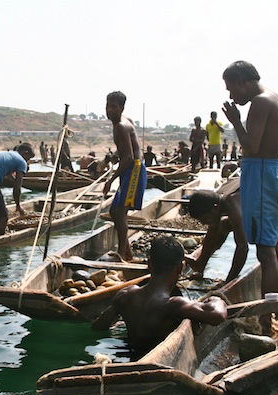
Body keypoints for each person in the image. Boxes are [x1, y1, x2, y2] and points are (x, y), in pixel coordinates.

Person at [221, 60, 278, 332]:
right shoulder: (276, 98)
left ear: (241, 82)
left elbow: (250, 145)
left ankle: (267, 317)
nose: (231, 97)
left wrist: (236, 122)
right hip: (270, 171)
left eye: (230, 89)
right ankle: (277, 311)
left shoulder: (260, 102)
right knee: (272, 246)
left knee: (265, 250)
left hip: (260, 176)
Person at [92, 235, 228, 355]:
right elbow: (217, 315)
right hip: (153, 360)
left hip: (126, 353)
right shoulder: (174, 305)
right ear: (180, 268)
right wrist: (216, 299)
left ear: (149, 264)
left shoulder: (125, 295)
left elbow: (98, 326)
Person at [184, 178, 278, 291]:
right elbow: (211, 237)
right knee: (221, 226)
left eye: (203, 219)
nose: (203, 223)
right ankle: (200, 266)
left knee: (272, 249)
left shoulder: (232, 204)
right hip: (258, 209)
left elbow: (242, 247)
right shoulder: (215, 201)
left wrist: (228, 282)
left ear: (215, 208)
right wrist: (200, 267)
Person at [103, 91, 148, 261]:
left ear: (122, 108)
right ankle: (127, 251)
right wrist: (116, 154)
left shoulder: (121, 125)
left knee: (120, 212)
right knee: (114, 211)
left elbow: (129, 156)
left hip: (134, 169)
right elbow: (127, 148)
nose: (109, 110)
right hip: (130, 167)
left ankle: (121, 254)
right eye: (107, 106)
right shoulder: (123, 121)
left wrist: (111, 180)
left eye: (114, 107)